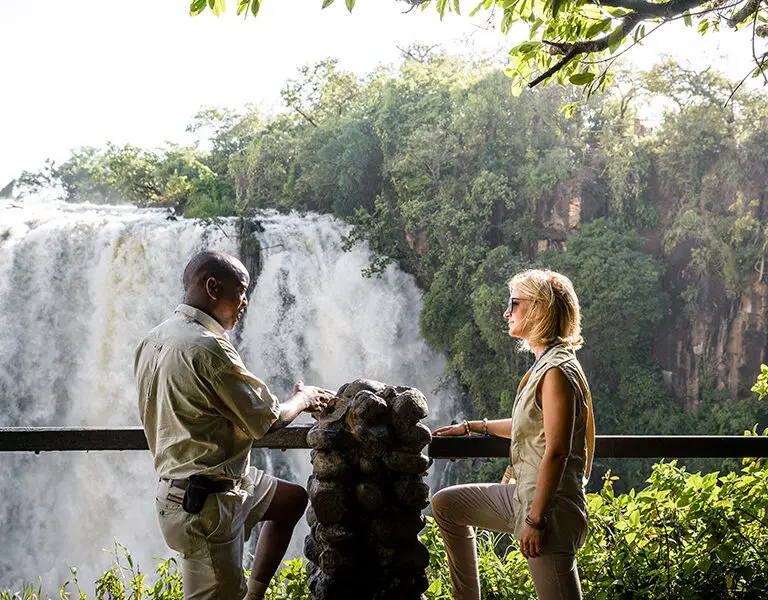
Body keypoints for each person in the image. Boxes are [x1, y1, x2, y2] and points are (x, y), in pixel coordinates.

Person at [135, 249, 331, 600]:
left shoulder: (154, 339)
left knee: (290, 500)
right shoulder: (209, 348)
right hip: (206, 502)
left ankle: (253, 595)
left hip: (198, 485)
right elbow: (267, 421)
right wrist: (304, 398)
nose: (245, 302)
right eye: (241, 291)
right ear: (213, 287)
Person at [430, 269, 596, 600]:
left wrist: (536, 522)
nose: (507, 312)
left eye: (514, 303)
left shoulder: (557, 372)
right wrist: (472, 427)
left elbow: (557, 450)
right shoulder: (546, 365)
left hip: (547, 508)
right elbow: (530, 425)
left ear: (540, 308)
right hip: (522, 495)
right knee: (446, 504)